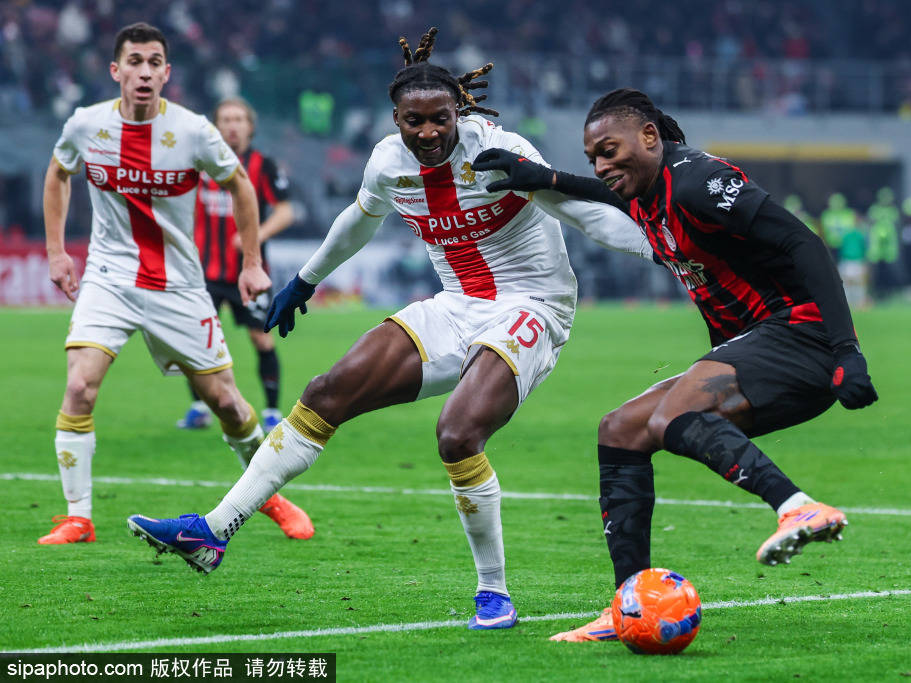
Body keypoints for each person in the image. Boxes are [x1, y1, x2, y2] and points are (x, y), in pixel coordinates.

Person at [126, 29, 651, 630]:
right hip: (456, 305)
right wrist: (306, 280)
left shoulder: (499, 150)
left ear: (459, 112)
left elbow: (581, 212)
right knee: (326, 392)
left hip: (533, 305)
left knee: (457, 434)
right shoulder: (387, 163)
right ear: (395, 119)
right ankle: (213, 531)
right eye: (413, 121)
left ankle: (494, 592)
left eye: (439, 119)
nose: (427, 132)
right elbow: (360, 216)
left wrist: (665, 248)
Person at [470, 88, 878, 642]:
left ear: (649, 137)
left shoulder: (696, 182)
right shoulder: (645, 190)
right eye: (593, 157)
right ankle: (628, 604)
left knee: (672, 417)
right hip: (757, 345)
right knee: (620, 429)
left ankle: (797, 507)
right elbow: (604, 192)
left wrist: (847, 350)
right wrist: (544, 177)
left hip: (801, 335)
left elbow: (803, 243)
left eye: (610, 151)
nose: (602, 165)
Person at [40, 22, 312, 545]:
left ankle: (270, 497)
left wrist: (251, 262)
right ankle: (78, 516)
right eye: (135, 62)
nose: (144, 72)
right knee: (78, 385)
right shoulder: (86, 124)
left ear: (167, 73)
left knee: (227, 403)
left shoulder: (192, 132)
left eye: (154, 63)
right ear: (115, 70)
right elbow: (58, 173)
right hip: (109, 278)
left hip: (179, 286)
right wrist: (56, 252)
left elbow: (240, 185)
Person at [178, 97, 295, 432]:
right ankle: (199, 407)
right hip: (205, 272)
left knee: (262, 339)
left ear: (250, 127)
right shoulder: (198, 163)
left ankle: (271, 412)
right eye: (226, 119)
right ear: (216, 126)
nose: (232, 126)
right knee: (196, 340)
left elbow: (286, 211)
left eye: (239, 119)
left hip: (250, 271)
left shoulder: (263, 165)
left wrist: (254, 235)